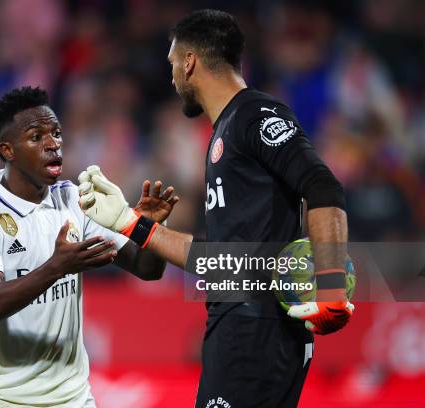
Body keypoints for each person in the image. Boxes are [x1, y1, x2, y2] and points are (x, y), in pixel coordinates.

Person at [77, 9, 354, 408]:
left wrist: (330, 287)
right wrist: (130, 223)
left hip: (256, 330)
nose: (172, 78)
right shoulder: (225, 132)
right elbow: (223, 260)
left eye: (173, 64)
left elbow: (323, 186)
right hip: (241, 327)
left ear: (189, 62)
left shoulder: (255, 115)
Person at [0, 86, 177, 408]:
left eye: (56, 133)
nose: (53, 144)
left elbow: (147, 269)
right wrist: (57, 266)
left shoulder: (73, 199)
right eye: (36, 137)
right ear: (8, 150)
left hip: (73, 398)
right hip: (3, 398)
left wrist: (149, 227)